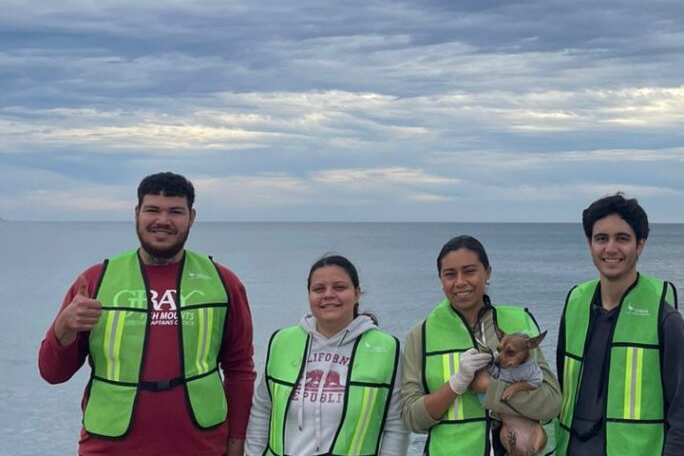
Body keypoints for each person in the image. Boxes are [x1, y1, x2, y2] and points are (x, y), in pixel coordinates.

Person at [38, 172, 255, 456]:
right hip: (108, 447)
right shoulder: (95, 282)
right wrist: (63, 327)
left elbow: (239, 369)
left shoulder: (222, 283)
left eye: (175, 212)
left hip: (201, 446)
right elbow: (52, 374)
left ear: (191, 217)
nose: (162, 220)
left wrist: (237, 441)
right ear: (137, 213)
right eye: (152, 210)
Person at [555, 193, 684, 456]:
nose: (610, 248)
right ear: (589, 244)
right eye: (601, 238)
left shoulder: (664, 318)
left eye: (622, 238)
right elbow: (562, 390)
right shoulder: (575, 304)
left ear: (639, 245)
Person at [400, 235, 561, 455]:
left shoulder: (519, 323)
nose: (460, 282)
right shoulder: (420, 334)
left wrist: (490, 387)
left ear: (488, 273)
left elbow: (551, 404)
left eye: (469, 271)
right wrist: (456, 384)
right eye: (449, 274)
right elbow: (412, 419)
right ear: (440, 280)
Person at [245, 255, 409, 455]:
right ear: (309, 295)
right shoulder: (282, 341)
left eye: (339, 287)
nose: (328, 295)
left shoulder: (386, 349)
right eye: (318, 289)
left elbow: (395, 425)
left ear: (356, 294)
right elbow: (262, 409)